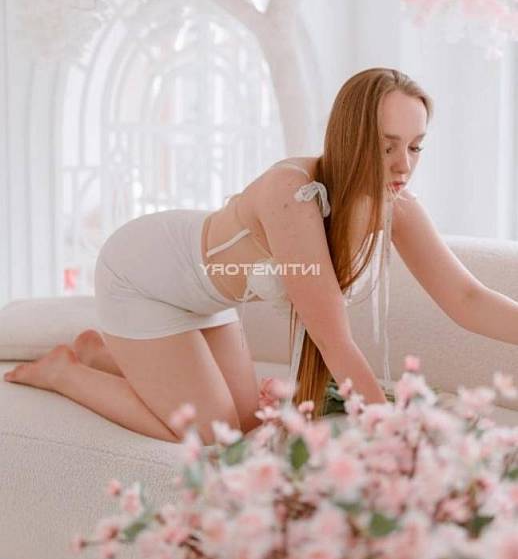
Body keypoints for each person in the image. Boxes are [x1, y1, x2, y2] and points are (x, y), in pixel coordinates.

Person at [5, 67, 518, 444]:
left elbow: (467, 298)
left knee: (249, 423)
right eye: (387, 147)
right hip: (142, 278)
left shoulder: (396, 203)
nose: (404, 164)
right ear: (351, 137)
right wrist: (393, 440)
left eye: (415, 146)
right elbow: (332, 337)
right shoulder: (293, 193)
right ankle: (65, 371)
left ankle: (105, 353)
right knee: (215, 435)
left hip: (205, 298)